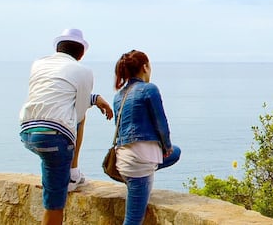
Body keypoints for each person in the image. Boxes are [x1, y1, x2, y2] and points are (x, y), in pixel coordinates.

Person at [19, 28, 114, 225]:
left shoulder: (38, 64)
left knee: (51, 163)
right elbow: (78, 112)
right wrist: (93, 101)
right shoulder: (84, 71)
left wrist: (95, 99)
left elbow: (57, 95)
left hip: (27, 131)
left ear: (58, 48)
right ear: (81, 54)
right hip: (54, 138)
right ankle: (72, 173)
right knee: (54, 205)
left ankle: (69, 175)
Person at [112, 49, 182, 225]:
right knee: (133, 220)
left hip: (122, 160)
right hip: (138, 163)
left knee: (176, 153)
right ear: (145, 67)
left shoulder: (118, 96)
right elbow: (161, 124)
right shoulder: (149, 89)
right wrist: (166, 147)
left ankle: (142, 176)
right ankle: (143, 177)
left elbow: (119, 129)